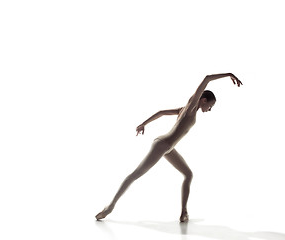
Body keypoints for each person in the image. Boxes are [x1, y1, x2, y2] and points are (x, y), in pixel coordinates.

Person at [95, 73, 242, 222]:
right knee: (136, 174)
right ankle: (110, 207)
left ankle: (184, 212)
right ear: (203, 100)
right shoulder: (191, 107)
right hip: (162, 144)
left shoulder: (184, 109)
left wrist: (144, 124)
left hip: (168, 147)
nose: (209, 109)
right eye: (210, 106)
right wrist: (229, 75)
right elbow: (207, 79)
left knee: (188, 174)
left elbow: (161, 112)